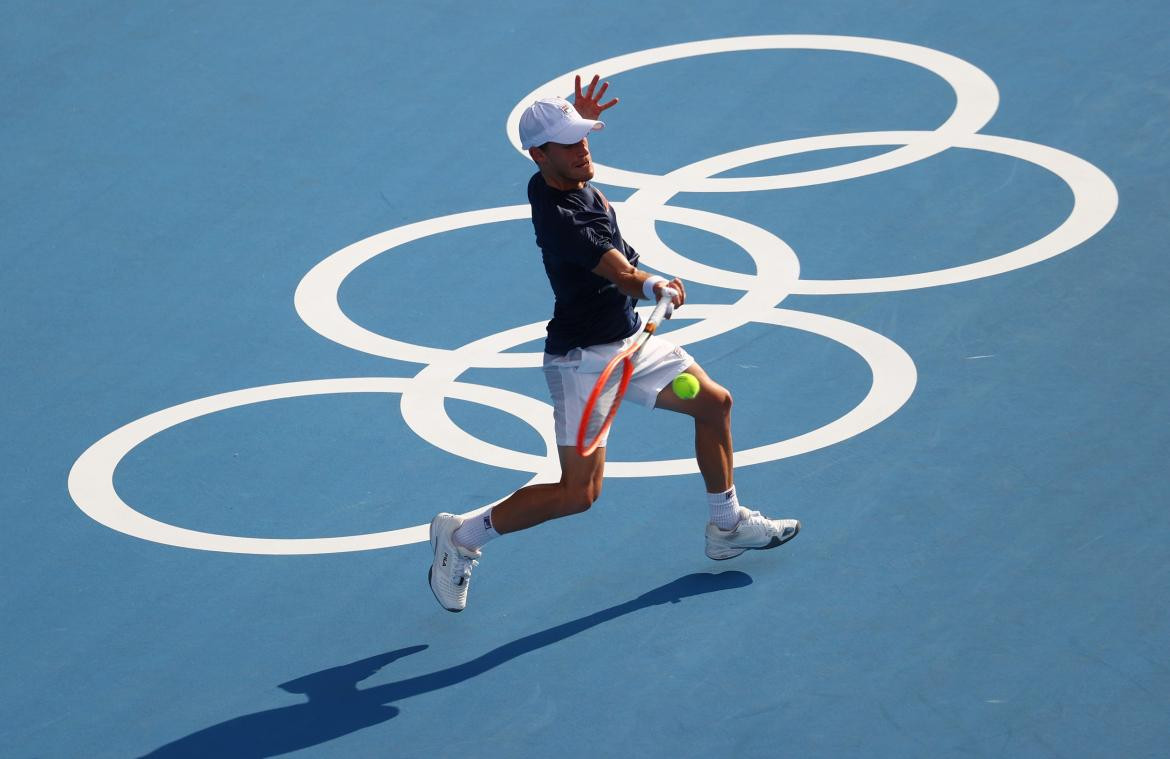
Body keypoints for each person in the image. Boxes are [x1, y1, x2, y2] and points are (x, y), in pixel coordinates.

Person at [428, 75, 800, 612]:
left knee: (714, 403)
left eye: (585, 140)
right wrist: (653, 285)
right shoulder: (560, 220)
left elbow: (620, 262)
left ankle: (726, 525)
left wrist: (567, 118)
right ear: (538, 156)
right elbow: (622, 273)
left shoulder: (566, 183)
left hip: (628, 339)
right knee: (578, 494)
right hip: (583, 363)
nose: (583, 152)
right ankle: (462, 537)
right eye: (569, 144)